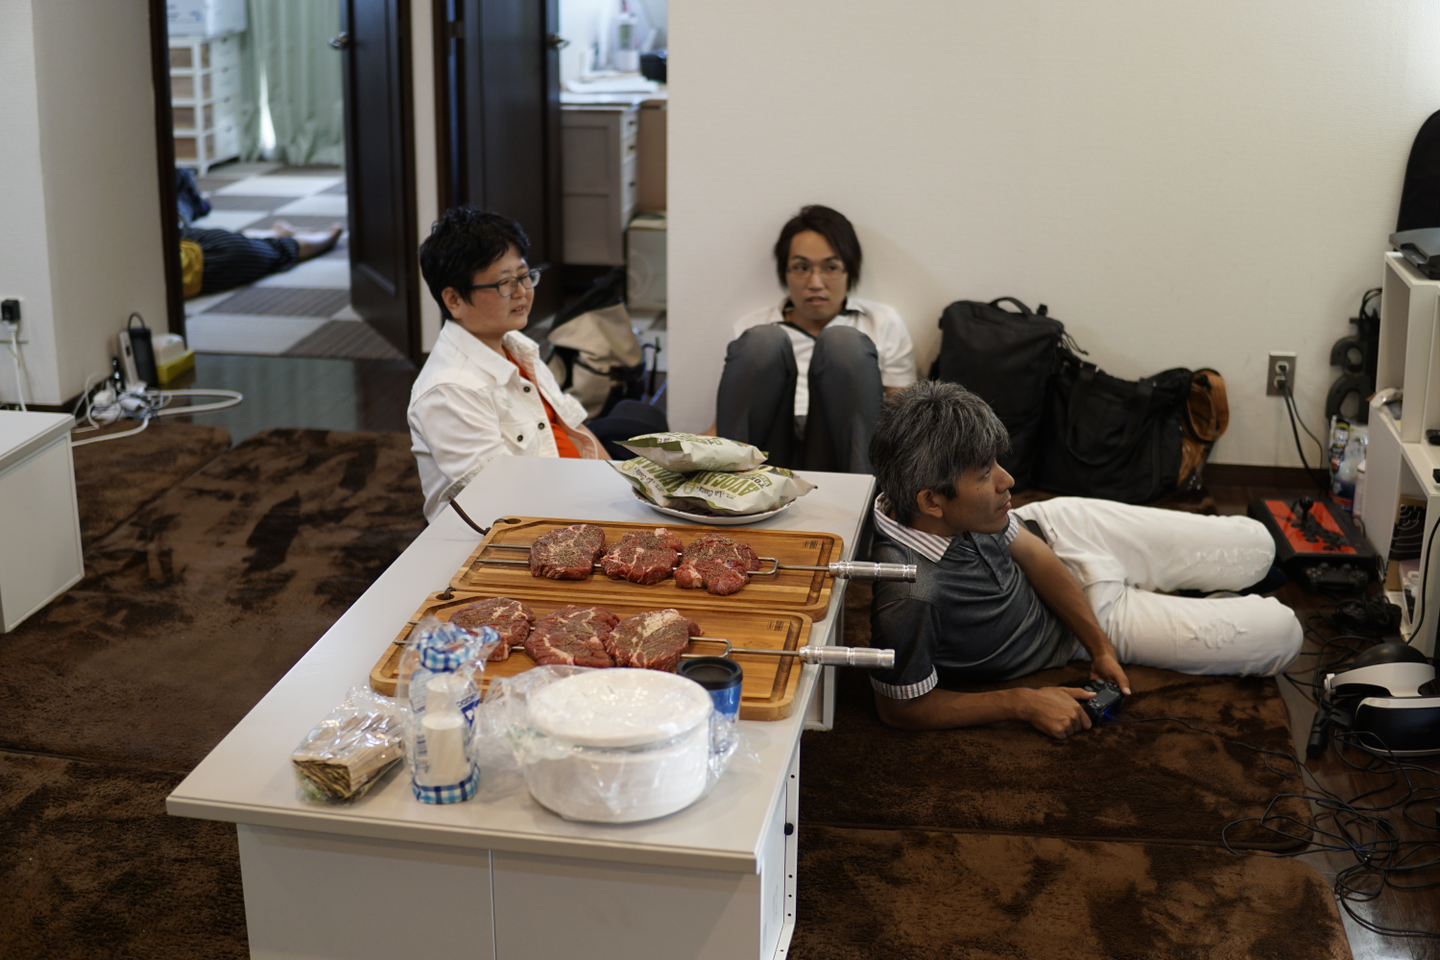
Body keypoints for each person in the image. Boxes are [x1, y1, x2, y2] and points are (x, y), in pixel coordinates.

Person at [865, 381, 1303, 739]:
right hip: (1063, 634)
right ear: (932, 501)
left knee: (1258, 546)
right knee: (1282, 634)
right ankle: (1198, 591)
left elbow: (1033, 552)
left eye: (996, 463)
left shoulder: (964, 509)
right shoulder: (909, 597)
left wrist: (1101, 647)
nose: (1008, 480)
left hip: (1066, 530)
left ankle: (1201, 586)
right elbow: (902, 709)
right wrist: (1021, 702)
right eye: (985, 474)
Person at [408, 206, 611, 523]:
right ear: (454, 300)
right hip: (523, 529)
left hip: (570, 489)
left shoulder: (515, 344)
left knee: (637, 419)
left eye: (524, 276)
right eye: (505, 283)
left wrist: (621, 488)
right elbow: (501, 500)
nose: (522, 292)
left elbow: (574, 428)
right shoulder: (450, 390)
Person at [714, 205, 916, 473]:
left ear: (849, 271)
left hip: (843, 454)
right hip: (765, 458)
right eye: (801, 267)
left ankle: (864, 495)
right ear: (785, 272)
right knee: (763, 341)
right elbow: (730, 421)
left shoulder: (882, 321)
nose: (816, 283)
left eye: (831, 267)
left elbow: (901, 421)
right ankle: (729, 486)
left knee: (843, 343)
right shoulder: (750, 328)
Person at [179, 221, 343, 298]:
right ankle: (276, 234)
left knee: (277, 250)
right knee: (240, 243)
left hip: (197, 254)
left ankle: (324, 237)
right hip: (196, 251)